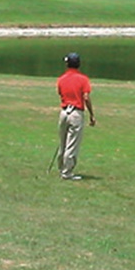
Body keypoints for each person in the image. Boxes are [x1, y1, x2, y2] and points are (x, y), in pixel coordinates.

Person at [54, 51, 95, 180]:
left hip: (64, 112)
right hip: (76, 112)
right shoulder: (83, 79)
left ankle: (62, 168)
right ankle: (67, 172)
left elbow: (60, 93)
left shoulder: (61, 79)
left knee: (63, 142)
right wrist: (92, 114)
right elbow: (86, 97)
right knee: (72, 144)